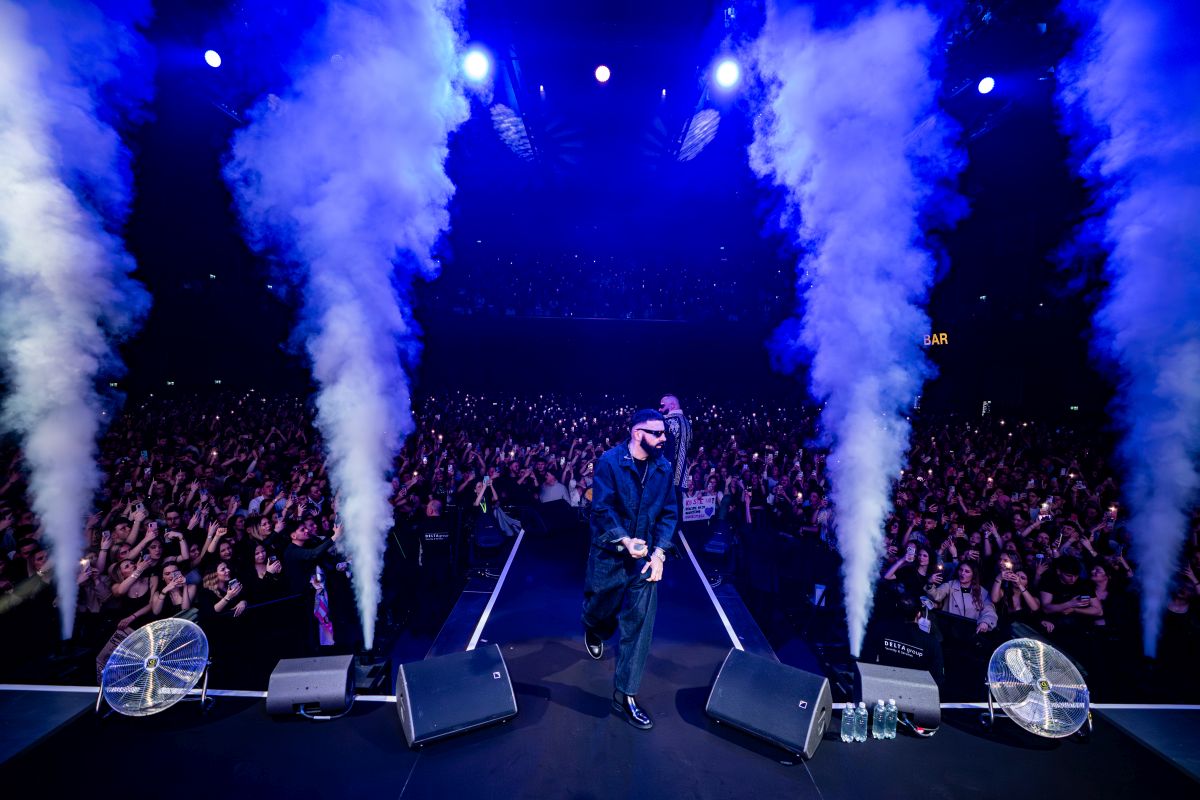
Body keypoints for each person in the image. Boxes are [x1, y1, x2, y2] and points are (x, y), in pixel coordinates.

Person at [582, 409, 678, 730]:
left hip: (645, 558)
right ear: (638, 434)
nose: (664, 439)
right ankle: (595, 628)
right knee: (600, 607)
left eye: (664, 434)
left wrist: (660, 553)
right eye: (658, 433)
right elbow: (602, 509)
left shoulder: (664, 468)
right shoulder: (609, 462)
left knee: (639, 624)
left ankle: (625, 695)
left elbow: (668, 513)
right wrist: (624, 540)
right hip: (610, 552)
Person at [659, 394, 692, 532]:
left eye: (662, 405)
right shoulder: (687, 422)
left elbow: (662, 449)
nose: (659, 409)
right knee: (676, 504)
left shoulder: (667, 421)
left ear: (672, 405)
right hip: (680, 473)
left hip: (666, 473)